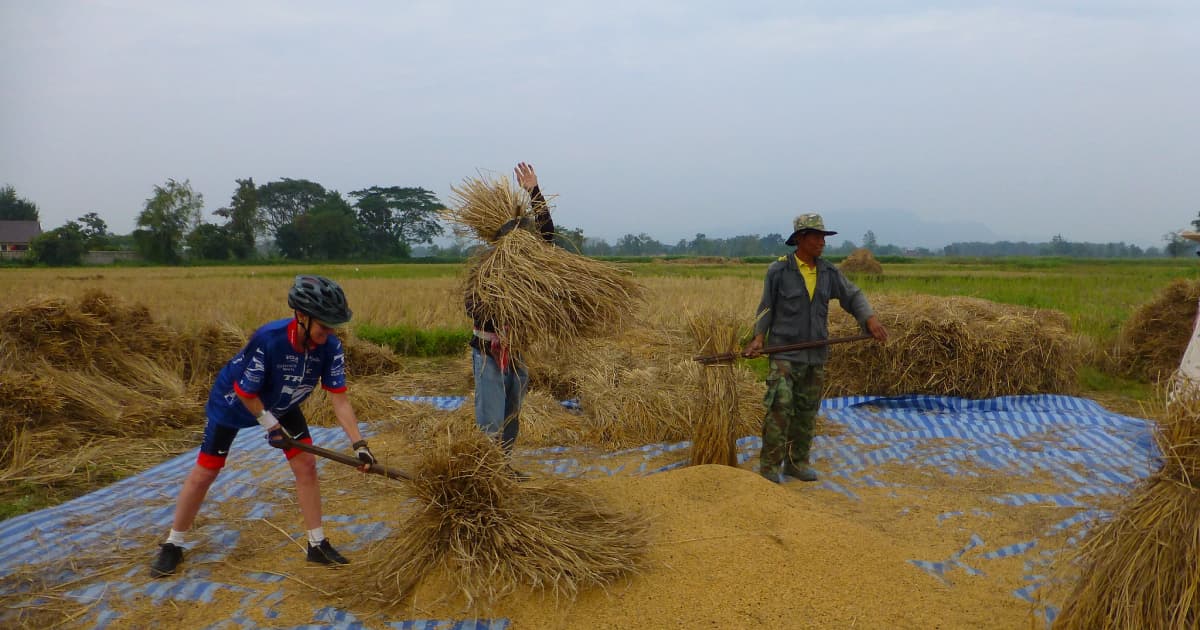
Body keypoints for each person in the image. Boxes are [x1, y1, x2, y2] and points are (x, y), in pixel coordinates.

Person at [150, 275, 377, 577]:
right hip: (234, 401)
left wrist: (360, 445)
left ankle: (317, 544)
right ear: (301, 317)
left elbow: (340, 401)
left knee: (306, 465)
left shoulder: (330, 347)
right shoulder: (270, 340)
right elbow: (246, 392)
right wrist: (271, 426)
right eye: (324, 325)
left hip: (283, 403)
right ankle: (173, 544)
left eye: (333, 325)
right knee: (207, 470)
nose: (330, 332)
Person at [744, 214, 888, 483]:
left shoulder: (828, 272)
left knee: (807, 411)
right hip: (785, 352)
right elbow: (766, 307)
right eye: (817, 236)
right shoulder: (779, 271)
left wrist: (869, 319)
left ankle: (797, 463)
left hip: (815, 353)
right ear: (800, 238)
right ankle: (769, 467)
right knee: (780, 405)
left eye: (824, 237)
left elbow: (853, 295)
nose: (822, 242)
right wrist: (758, 338)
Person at [465, 162, 555, 480]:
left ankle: (502, 468)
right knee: (490, 418)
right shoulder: (485, 266)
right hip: (489, 352)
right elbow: (472, 306)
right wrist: (503, 303)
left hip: (514, 353)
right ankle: (486, 476)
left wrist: (533, 191)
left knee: (511, 417)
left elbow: (548, 235)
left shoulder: (530, 265)